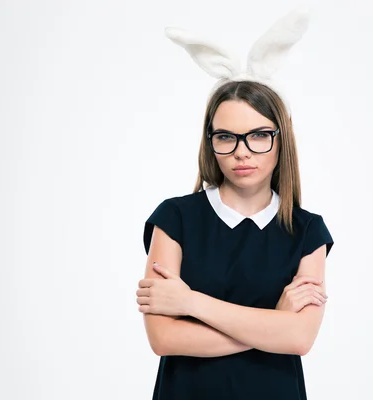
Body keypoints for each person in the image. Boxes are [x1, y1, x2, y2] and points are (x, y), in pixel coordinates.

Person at [136, 6, 335, 400]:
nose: (242, 152)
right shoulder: (175, 218)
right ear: (211, 141)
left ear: (281, 140)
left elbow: (299, 338)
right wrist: (273, 324)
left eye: (258, 135)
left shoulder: (308, 231)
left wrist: (190, 301)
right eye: (226, 137)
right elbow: (163, 338)